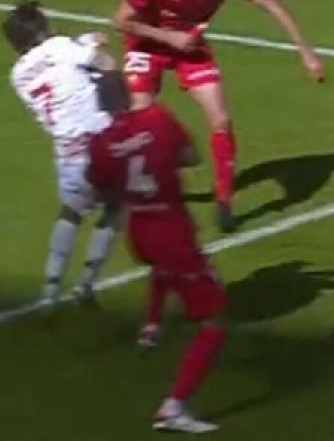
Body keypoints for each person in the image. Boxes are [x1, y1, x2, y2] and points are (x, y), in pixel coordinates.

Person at [113, 0, 325, 232]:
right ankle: (169, 159)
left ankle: (224, 200)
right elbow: (120, 20)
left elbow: (271, 6)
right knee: (143, 115)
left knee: (221, 119)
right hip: (147, 46)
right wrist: (169, 37)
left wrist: (305, 51)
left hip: (190, 49)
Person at [87, 79, 226, 434]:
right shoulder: (158, 118)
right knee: (215, 321)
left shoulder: (100, 144)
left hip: (139, 229)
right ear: (127, 92)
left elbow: (101, 192)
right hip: (172, 230)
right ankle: (173, 407)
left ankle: (151, 328)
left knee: (161, 268)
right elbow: (191, 156)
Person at [4, 1, 121, 307]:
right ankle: (87, 283)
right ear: (43, 29)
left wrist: (83, 43)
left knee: (71, 211)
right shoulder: (60, 47)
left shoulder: (17, 75)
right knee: (116, 207)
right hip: (100, 138)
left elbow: (57, 68)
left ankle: (51, 286)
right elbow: (104, 63)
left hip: (68, 150)